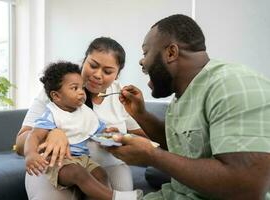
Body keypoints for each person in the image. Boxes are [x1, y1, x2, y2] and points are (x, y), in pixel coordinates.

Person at [107, 14, 270, 200]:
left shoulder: (234, 85)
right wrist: (141, 115)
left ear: (171, 53)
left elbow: (247, 187)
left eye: (145, 53)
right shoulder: (180, 98)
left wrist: (152, 155)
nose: (142, 62)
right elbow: (183, 150)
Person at [15, 37, 145, 200]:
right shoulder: (57, 90)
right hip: (57, 165)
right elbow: (21, 144)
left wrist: (118, 136)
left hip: (104, 165)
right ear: (84, 61)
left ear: (117, 75)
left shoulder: (121, 96)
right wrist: (52, 133)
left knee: (108, 185)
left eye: (107, 71)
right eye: (93, 65)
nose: (97, 75)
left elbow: (143, 138)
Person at [24, 61, 112, 200]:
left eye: (82, 88)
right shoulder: (51, 114)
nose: (81, 93)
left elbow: (100, 132)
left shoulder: (86, 113)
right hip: (60, 163)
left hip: (84, 160)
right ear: (56, 96)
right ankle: (116, 198)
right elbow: (34, 136)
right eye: (74, 88)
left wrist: (112, 136)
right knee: (79, 173)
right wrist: (30, 154)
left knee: (101, 174)